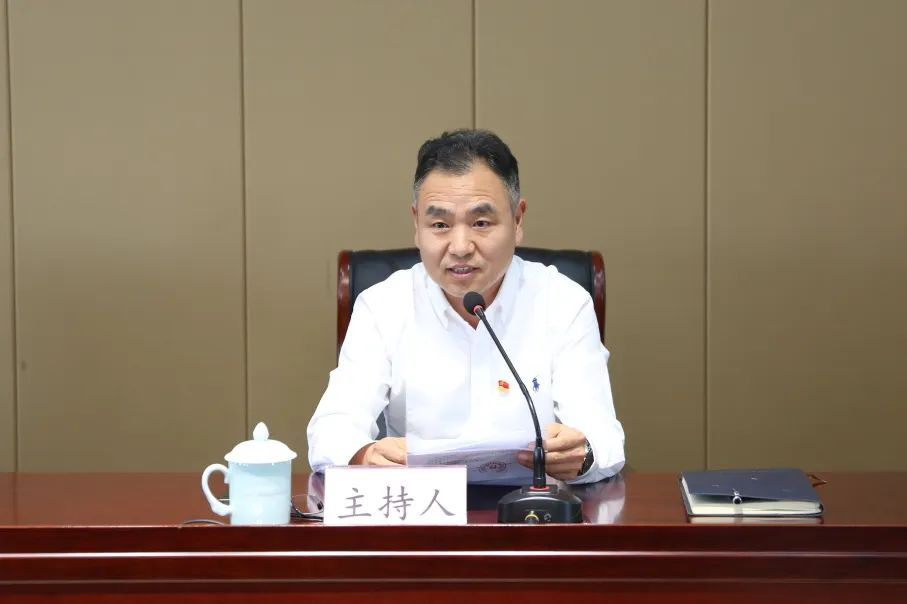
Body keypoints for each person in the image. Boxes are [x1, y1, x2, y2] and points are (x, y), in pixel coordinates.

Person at [307, 129, 624, 484]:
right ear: (416, 224)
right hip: (422, 507)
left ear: (518, 220)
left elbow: (603, 438)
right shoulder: (383, 306)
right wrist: (363, 455)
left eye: (481, 223)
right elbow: (331, 430)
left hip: (532, 510)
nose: (460, 247)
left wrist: (583, 456)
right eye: (440, 224)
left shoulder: (563, 302)